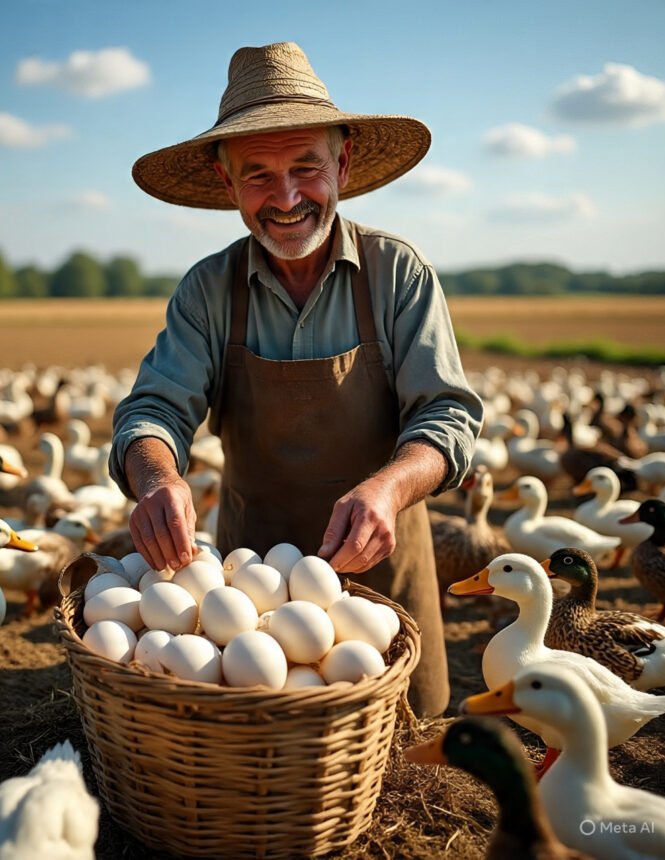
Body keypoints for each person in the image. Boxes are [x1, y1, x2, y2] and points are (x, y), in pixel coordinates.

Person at [110, 42, 483, 716]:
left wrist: (389, 488)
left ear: (342, 164)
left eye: (306, 168)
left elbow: (447, 416)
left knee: (399, 743)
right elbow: (153, 409)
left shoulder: (398, 274)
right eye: (258, 175)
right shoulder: (208, 291)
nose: (285, 199)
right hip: (245, 600)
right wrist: (157, 478)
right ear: (227, 183)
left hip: (382, 587)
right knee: (259, 753)